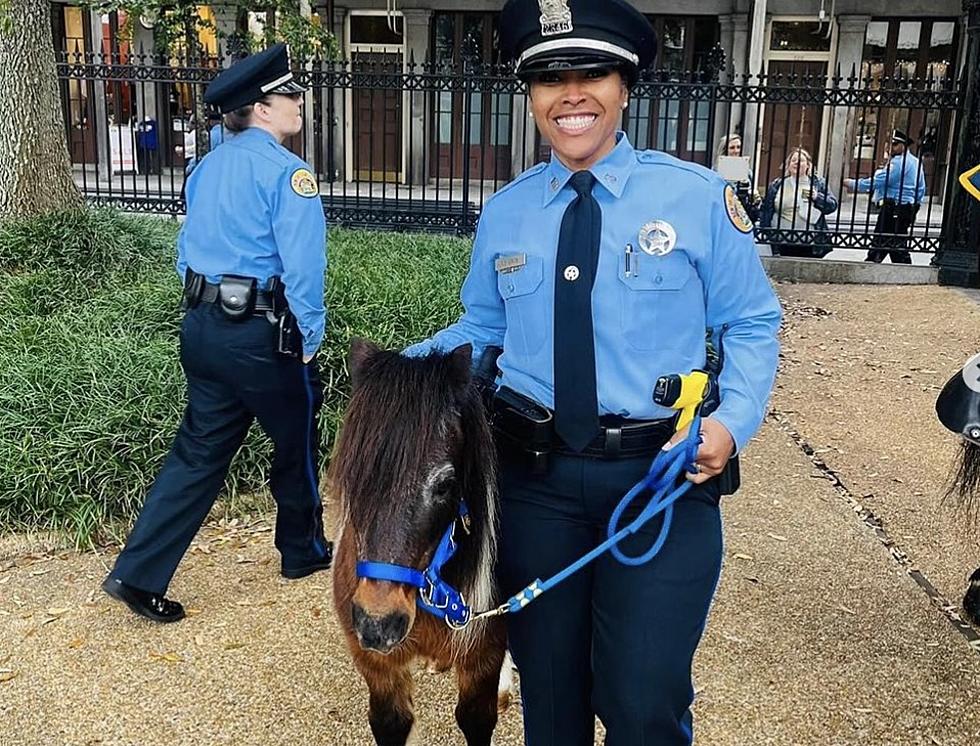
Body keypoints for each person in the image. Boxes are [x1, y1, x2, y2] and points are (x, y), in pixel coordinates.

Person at [404, 0, 782, 743]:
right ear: (531, 96)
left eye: (591, 73)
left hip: (659, 484)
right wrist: (396, 372)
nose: (570, 94)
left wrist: (732, 425)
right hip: (534, 486)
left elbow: (753, 321)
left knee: (642, 700)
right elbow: (483, 328)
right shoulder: (508, 212)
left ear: (626, 86)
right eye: (548, 78)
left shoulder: (696, 200)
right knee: (550, 702)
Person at [102, 43, 332, 624]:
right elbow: (302, 266)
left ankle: (137, 573)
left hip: (202, 327)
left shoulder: (206, 168)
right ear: (261, 108)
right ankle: (301, 553)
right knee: (296, 440)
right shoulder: (289, 173)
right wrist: (310, 331)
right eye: (289, 95)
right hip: (261, 336)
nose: (298, 102)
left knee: (198, 451)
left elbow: (188, 253)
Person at [844, 129, 926, 264]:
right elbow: (921, 188)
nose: (890, 148)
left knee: (885, 240)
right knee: (895, 241)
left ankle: (875, 263)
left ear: (903, 146)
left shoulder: (899, 163)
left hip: (893, 207)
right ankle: (886, 263)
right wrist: (915, 204)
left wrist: (854, 184)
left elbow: (880, 180)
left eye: (894, 145)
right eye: (890, 144)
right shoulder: (916, 162)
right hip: (905, 207)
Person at [760, 147, 839, 258]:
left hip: (810, 240)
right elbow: (766, 209)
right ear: (788, 165)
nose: (797, 163)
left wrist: (817, 197)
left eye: (801, 160)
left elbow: (832, 206)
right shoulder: (777, 184)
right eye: (793, 160)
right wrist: (765, 232)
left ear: (808, 165)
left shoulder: (818, 183)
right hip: (782, 240)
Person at [714, 132, 761, 223]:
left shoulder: (747, 171)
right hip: (724, 211)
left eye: (738, 147)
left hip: (742, 212)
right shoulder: (717, 169)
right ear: (725, 149)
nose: (736, 151)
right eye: (732, 148)